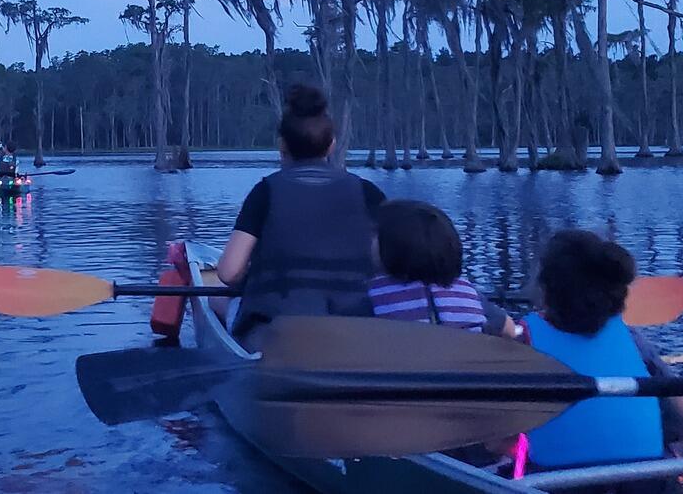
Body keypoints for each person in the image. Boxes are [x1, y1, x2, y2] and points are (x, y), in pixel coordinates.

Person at [215, 84, 385, 338]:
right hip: (356, 332)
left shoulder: (265, 192)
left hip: (277, 332)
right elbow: (395, 264)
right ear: (331, 145)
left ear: (282, 145)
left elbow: (228, 273)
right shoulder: (368, 193)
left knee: (216, 301)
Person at [520, 229, 683, 472]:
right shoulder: (631, 338)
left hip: (554, 483)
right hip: (646, 480)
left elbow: (496, 443)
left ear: (545, 291)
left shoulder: (523, 339)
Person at [368, 199, 514, 337]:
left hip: (404, 362)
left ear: (393, 246)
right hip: (467, 359)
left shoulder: (374, 293)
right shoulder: (466, 289)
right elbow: (509, 329)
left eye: (375, 234)